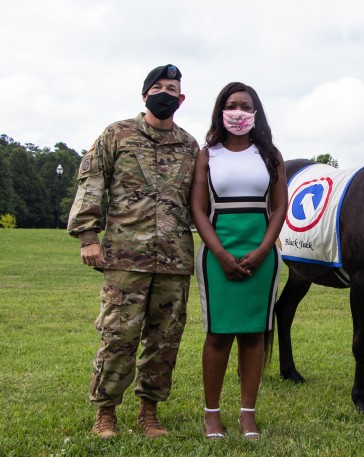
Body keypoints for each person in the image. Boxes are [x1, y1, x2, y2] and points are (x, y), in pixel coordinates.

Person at [67, 64, 199, 439]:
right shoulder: (117, 134)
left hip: (174, 259)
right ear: (144, 95)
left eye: (172, 88)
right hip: (125, 257)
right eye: (157, 87)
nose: (165, 93)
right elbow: (92, 181)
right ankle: (105, 413)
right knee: (118, 336)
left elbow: (199, 200)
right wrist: (88, 237)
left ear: (181, 98)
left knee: (164, 340)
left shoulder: (189, 145)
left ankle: (149, 413)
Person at [191, 82, 287, 440]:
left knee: (253, 334)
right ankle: (211, 415)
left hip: (261, 253)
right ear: (220, 111)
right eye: (231, 105)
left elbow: (280, 207)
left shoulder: (270, 154)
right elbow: (198, 209)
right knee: (218, 335)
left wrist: (264, 250)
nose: (238, 112)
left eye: (246, 106)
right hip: (218, 252)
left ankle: (248, 414)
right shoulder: (207, 154)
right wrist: (220, 253)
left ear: (256, 113)